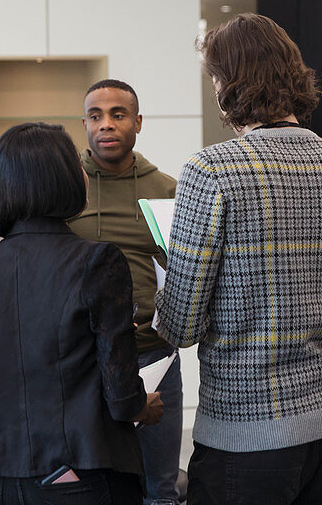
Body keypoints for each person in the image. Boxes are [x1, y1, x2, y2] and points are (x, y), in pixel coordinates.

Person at [154, 14, 322, 505]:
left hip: (246, 432)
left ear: (228, 84)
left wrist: (163, 286)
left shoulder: (212, 170)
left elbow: (181, 325)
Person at [0, 122, 164, 504]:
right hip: (85, 467)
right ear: (61, 178)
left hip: (11, 473)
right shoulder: (97, 260)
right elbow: (121, 393)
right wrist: (145, 405)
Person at [68, 79, 182, 505]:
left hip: (154, 354)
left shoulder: (168, 189)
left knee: (160, 491)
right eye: (95, 117)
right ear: (84, 124)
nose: (106, 125)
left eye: (117, 115)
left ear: (138, 122)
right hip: (85, 358)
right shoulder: (67, 186)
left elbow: (186, 273)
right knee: (93, 489)